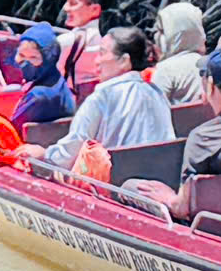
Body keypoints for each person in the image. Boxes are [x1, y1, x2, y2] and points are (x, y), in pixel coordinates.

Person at [123, 46, 221, 221]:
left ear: (210, 85)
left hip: (214, 224)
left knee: (130, 187)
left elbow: (182, 209)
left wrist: (168, 197)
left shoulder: (202, 138)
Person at [39, 24, 173, 174]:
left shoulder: (101, 97)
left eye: (102, 53)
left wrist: (43, 154)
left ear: (124, 61)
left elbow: (68, 155)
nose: (97, 61)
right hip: (157, 174)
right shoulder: (156, 93)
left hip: (113, 179)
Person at [7, 22, 77, 128]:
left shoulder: (37, 96)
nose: (25, 64)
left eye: (33, 58)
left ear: (48, 60)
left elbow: (10, 129)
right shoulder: (58, 81)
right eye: (21, 55)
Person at [55, 0, 113, 89]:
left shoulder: (67, 41)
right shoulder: (114, 40)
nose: (65, 8)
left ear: (95, 9)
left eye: (72, 3)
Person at [152, 2, 210, 107]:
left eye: (162, 32)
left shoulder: (165, 70)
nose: (156, 36)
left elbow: (155, 109)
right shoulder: (210, 63)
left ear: (175, 34)